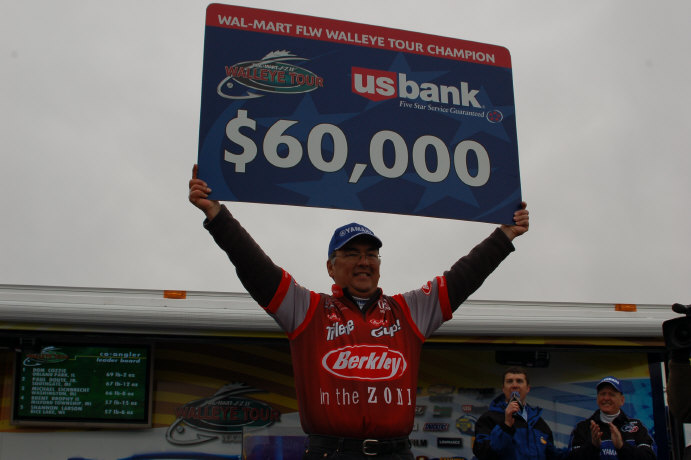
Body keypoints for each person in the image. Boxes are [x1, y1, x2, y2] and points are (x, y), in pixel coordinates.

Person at [188, 165, 530, 459]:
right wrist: (216, 214)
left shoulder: (408, 311)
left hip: (397, 453)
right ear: (331, 267)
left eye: (371, 254)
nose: (364, 261)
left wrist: (505, 235)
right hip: (330, 452)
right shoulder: (308, 310)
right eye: (351, 254)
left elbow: (463, 276)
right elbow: (256, 268)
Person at [473, 366, 563, 460]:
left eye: (519, 381)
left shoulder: (538, 422)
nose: (514, 385)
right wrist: (506, 426)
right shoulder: (489, 419)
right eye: (509, 381)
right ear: (503, 388)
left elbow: (552, 455)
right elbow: (483, 453)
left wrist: (572, 451)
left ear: (528, 388)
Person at [567, 376, 657, 460]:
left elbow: (650, 457)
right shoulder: (583, 428)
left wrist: (622, 446)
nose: (606, 398)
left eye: (611, 394)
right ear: (597, 399)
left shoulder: (637, 427)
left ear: (622, 400)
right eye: (602, 394)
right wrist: (593, 447)